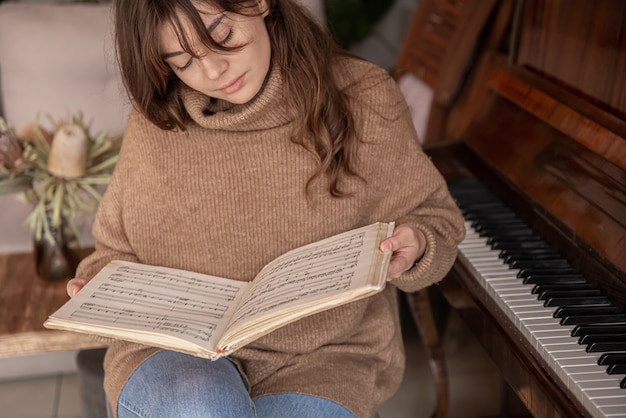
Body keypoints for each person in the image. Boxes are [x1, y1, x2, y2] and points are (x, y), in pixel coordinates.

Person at [66, 0, 465, 417]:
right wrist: (98, 287)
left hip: (322, 359)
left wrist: (416, 243)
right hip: (173, 352)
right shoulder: (157, 123)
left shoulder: (363, 97)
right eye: (183, 62)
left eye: (222, 37)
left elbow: (435, 218)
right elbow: (113, 253)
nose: (212, 71)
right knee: (201, 406)